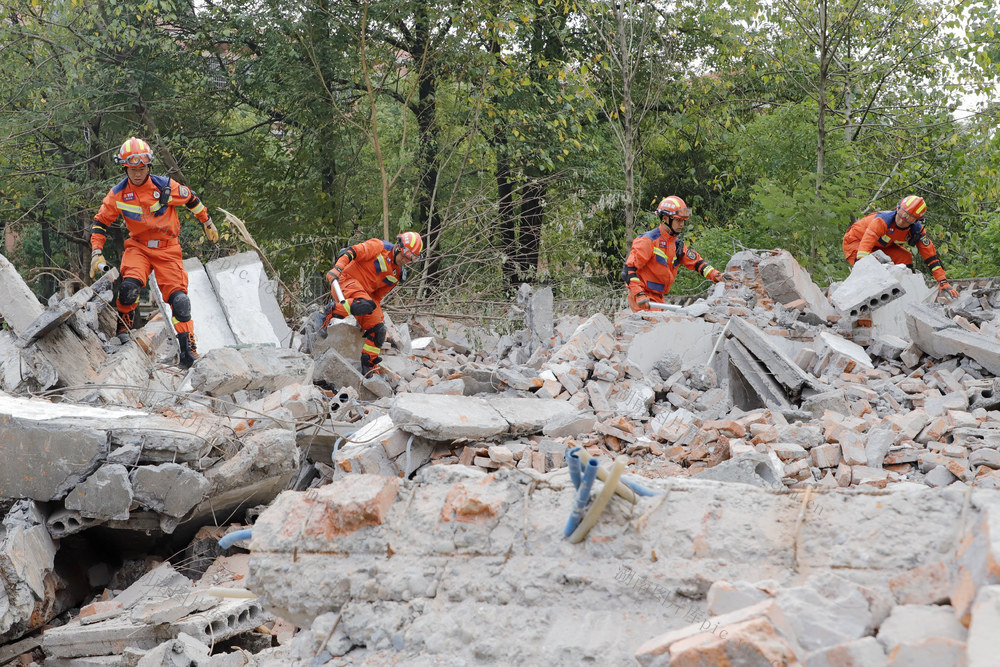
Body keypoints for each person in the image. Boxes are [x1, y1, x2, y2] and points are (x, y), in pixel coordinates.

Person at [89, 137, 219, 369]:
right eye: (132, 169)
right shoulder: (118, 194)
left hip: (167, 248)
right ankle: (123, 328)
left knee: (180, 302)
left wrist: (207, 221)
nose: (137, 173)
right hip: (138, 246)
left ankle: (188, 352)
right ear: (124, 168)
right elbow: (101, 221)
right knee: (129, 288)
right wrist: (96, 252)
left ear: (149, 166)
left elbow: (191, 199)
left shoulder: (165, 187)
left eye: (141, 168)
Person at [318, 231, 422, 377]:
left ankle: (369, 365)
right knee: (366, 303)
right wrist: (338, 268)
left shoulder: (396, 274)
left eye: (411, 258)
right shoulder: (379, 247)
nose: (406, 260)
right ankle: (328, 312)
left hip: (362, 297)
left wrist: (370, 317)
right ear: (398, 247)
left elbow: (377, 297)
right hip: (345, 281)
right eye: (405, 255)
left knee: (379, 330)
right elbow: (352, 251)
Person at [624, 196, 733, 312]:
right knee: (655, 327)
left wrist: (717, 275)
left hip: (658, 298)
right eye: (678, 220)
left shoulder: (676, 244)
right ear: (665, 218)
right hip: (643, 297)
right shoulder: (648, 241)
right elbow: (629, 270)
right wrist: (639, 294)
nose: (682, 224)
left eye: (683, 220)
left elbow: (697, 263)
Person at [842, 195, 958, 299]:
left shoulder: (917, 231)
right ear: (898, 208)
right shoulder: (882, 221)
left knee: (905, 257)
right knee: (870, 271)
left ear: (916, 221)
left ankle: (906, 293)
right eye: (902, 213)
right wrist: (861, 266)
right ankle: (849, 297)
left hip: (881, 245)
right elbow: (866, 245)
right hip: (855, 241)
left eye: (909, 218)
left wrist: (943, 282)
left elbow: (931, 258)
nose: (903, 219)